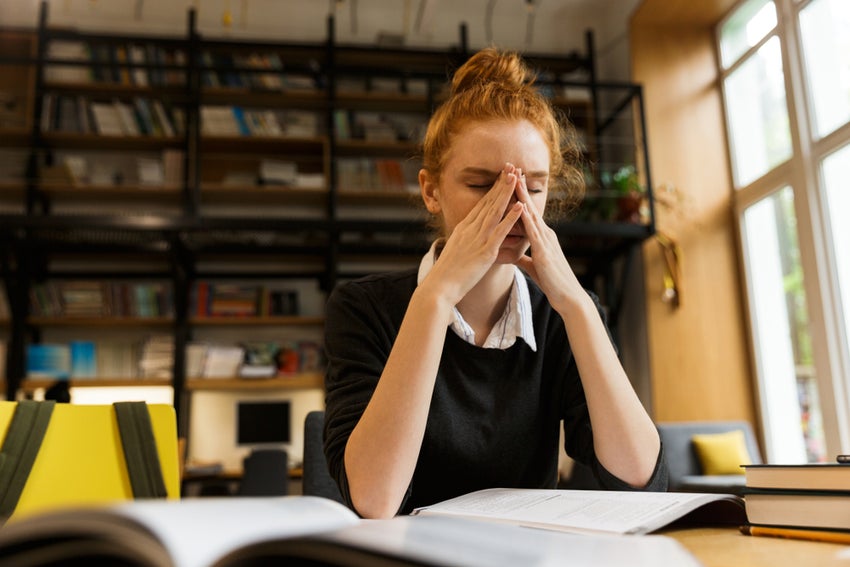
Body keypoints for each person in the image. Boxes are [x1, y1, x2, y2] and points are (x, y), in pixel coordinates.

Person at [323, 47, 668, 520]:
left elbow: (639, 478)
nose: (511, 207)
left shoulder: (563, 315)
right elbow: (373, 500)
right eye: (483, 185)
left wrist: (577, 306)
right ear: (431, 191)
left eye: (534, 187)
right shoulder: (362, 308)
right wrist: (437, 296)